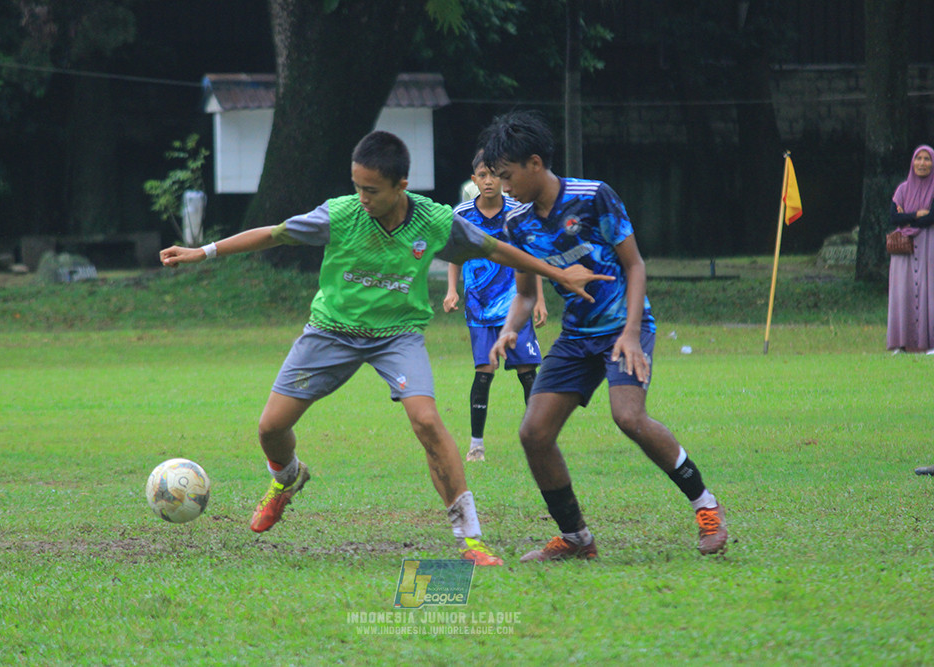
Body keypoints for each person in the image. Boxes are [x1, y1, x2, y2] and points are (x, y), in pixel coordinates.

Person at [159, 130, 608, 566]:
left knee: (427, 421)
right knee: (270, 429)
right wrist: (205, 252)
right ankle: (288, 479)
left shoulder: (434, 221)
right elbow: (275, 234)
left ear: (401, 186)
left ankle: (470, 537)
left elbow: (497, 250)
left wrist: (558, 273)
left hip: (398, 335)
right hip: (331, 331)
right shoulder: (339, 215)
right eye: (357, 187)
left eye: (372, 190)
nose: (363, 198)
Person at [479, 111, 729, 561]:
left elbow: (635, 266)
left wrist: (632, 333)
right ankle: (576, 538)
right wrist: (507, 332)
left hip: (622, 328)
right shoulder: (517, 224)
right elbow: (524, 293)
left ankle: (706, 506)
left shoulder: (594, 197)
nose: (504, 186)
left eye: (507, 175)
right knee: (534, 433)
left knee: (629, 417)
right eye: (497, 177)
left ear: (535, 163)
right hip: (576, 337)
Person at [444, 150, 548, 462]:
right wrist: (452, 289)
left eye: (495, 175)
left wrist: (539, 299)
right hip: (478, 307)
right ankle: (476, 444)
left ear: (502, 179)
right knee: (484, 372)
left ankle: (538, 441)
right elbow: (454, 255)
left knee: (528, 373)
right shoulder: (461, 214)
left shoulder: (517, 211)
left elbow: (531, 257)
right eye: (483, 176)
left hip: (516, 304)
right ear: (474, 180)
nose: (489, 181)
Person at [887, 144, 934, 354]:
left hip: (928, 245)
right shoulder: (902, 189)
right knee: (902, 290)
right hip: (904, 249)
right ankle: (901, 343)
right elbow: (893, 217)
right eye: (918, 158)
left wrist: (907, 218)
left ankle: (930, 343)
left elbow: (931, 218)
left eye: (927, 159)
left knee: (928, 291)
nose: (922, 163)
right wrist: (915, 215)